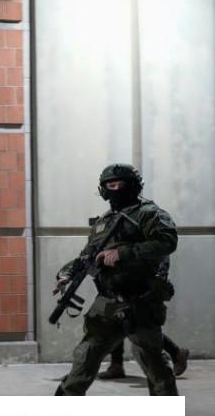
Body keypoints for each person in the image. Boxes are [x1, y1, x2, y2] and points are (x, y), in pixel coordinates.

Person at [54, 163, 178, 396]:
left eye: (121, 184)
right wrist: (66, 274)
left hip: (140, 301)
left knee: (154, 364)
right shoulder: (104, 222)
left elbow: (167, 242)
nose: (116, 189)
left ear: (134, 186)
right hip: (107, 303)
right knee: (84, 358)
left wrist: (122, 253)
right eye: (110, 185)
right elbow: (87, 256)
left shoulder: (149, 213)